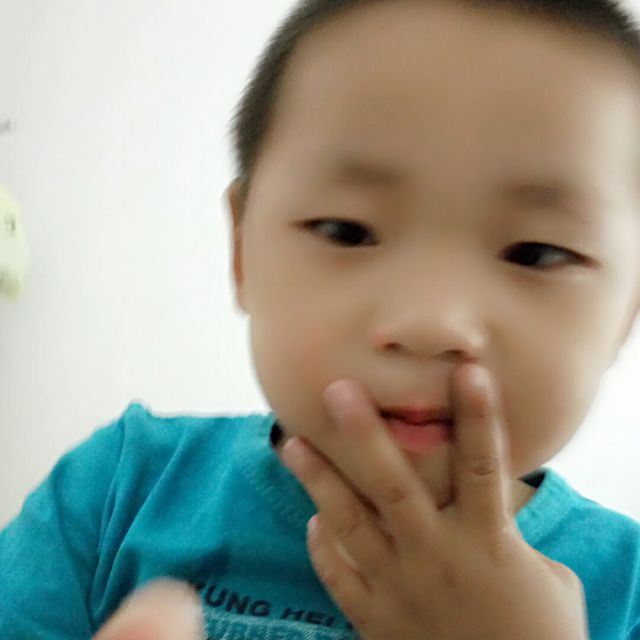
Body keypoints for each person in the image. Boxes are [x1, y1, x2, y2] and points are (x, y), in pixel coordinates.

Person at [2, 0, 640, 638]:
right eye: (347, 231)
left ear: (627, 311)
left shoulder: (627, 589)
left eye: (537, 253)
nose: (431, 323)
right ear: (242, 252)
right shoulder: (118, 492)